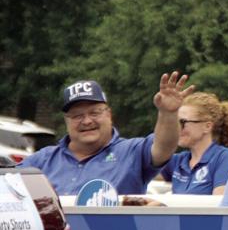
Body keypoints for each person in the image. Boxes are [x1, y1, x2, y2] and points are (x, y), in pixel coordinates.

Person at [20, 73, 194, 195]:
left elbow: (164, 148)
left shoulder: (131, 152)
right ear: (66, 121)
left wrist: (168, 113)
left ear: (109, 114)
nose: (87, 121)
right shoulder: (41, 161)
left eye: (94, 113)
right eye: (77, 116)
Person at [160, 92, 228, 195]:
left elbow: (219, 205)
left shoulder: (224, 158)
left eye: (183, 122)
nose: (177, 128)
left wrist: (166, 204)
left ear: (207, 126)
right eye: (175, 122)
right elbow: (141, 170)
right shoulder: (179, 161)